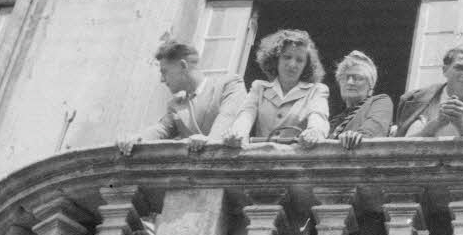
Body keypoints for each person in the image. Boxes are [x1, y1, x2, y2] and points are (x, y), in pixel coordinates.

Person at [117, 38, 246, 154]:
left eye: (164, 72)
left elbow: (227, 119)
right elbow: (161, 129)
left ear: (183, 65)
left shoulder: (229, 85)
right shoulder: (176, 104)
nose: (162, 79)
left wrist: (210, 141)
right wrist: (137, 138)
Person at [225, 29, 328, 147]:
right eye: (287, 57)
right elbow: (246, 115)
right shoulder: (259, 88)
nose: (292, 64)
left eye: (299, 60)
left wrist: (314, 132)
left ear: (306, 66)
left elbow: (319, 117)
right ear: (276, 59)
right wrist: (238, 132)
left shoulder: (316, 91)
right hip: (259, 160)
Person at [397, 45, 463, 138]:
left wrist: (461, 124)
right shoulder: (422, 99)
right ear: (445, 70)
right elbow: (405, 145)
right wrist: (437, 123)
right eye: (459, 68)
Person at [329, 51, 392, 148]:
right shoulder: (335, 121)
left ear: (370, 85)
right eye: (345, 78)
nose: (350, 82)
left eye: (357, 78)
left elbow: (374, 128)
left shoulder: (380, 101)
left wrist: (358, 136)